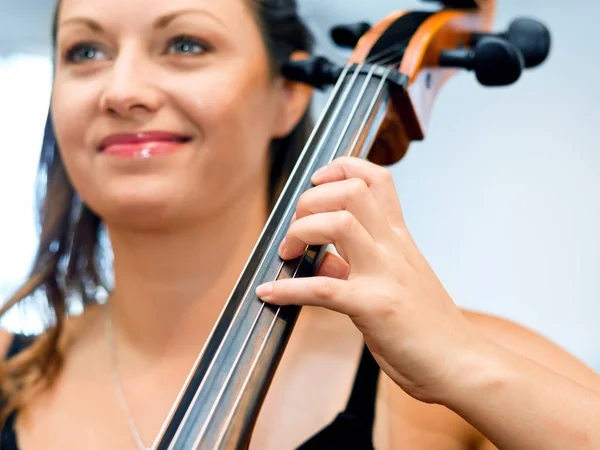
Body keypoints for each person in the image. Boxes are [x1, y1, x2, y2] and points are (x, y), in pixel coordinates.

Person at [1, 0, 599, 449]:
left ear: (288, 92)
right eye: (85, 52)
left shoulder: (450, 384)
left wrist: (466, 367)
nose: (122, 90)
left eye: (185, 45)